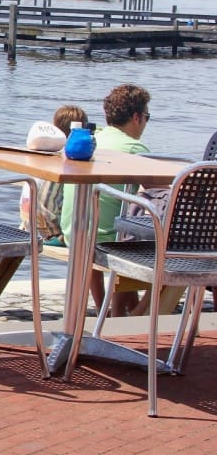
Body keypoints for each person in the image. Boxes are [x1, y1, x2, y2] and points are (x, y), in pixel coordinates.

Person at [61, 84, 152, 316]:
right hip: (108, 240)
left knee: (119, 221)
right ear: (136, 117)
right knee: (163, 242)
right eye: (147, 117)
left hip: (74, 233)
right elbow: (161, 192)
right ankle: (135, 316)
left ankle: (110, 310)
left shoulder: (91, 139)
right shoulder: (134, 149)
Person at [21, 105, 88, 247]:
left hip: (27, 223)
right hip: (48, 232)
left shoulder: (44, 151)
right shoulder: (68, 158)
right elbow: (46, 204)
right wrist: (57, 234)